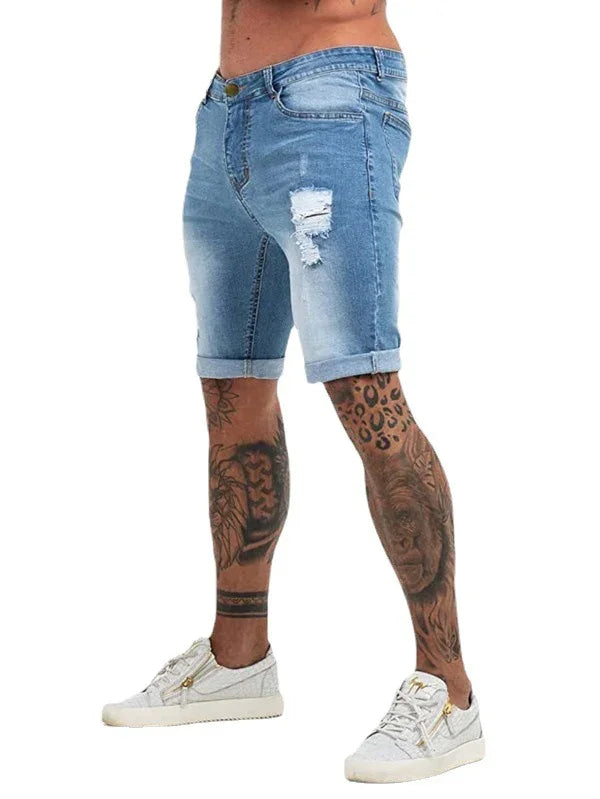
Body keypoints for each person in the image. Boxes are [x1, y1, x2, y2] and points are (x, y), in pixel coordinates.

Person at [103, 1, 484, 784]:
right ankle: (238, 658)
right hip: (229, 109)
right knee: (232, 386)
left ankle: (449, 692)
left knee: (366, 393)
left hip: (331, 99)